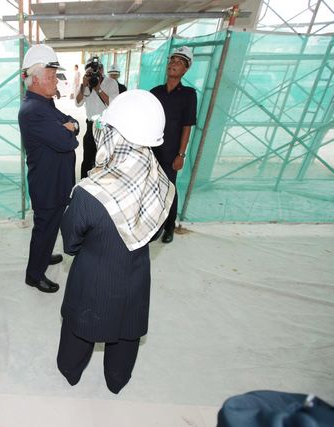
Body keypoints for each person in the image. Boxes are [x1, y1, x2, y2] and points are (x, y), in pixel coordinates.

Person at [57, 89, 175, 394]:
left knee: (80, 328)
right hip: (136, 275)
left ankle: (71, 371)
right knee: (127, 329)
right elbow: (154, 233)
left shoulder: (88, 193)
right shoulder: (162, 183)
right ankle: (117, 379)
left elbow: (70, 243)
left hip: (92, 279)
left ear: (114, 135)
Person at [19, 44, 79, 293]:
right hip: (47, 184)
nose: (56, 81)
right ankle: (34, 275)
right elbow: (68, 141)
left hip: (55, 180)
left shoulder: (45, 104)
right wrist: (68, 130)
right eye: (51, 76)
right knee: (44, 228)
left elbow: (71, 123)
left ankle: (43, 256)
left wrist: (69, 127)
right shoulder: (34, 110)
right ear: (35, 79)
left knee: (51, 226)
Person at [150, 46, 197, 244]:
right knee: (151, 187)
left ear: (186, 69)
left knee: (169, 188)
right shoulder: (155, 92)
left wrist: (181, 155)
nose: (173, 64)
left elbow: (187, 126)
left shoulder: (188, 94)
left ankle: (169, 226)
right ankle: (153, 224)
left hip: (171, 152)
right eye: (172, 60)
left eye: (179, 62)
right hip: (152, 149)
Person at [75, 56, 120, 178]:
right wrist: (84, 86)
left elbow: (113, 104)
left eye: (97, 70)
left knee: (104, 161)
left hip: (106, 128)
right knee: (87, 160)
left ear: (102, 69)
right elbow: (78, 103)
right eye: (90, 72)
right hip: (91, 127)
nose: (95, 74)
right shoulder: (86, 84)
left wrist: (98, 89)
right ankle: (84, 184)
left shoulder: (111, 83)